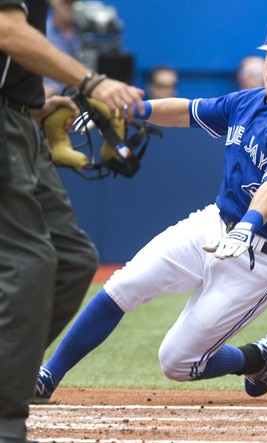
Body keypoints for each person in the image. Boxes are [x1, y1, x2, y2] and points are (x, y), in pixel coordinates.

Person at [34, 17, 267, 406]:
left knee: (176, 361)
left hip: (260, 258)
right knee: (124, 285)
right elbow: (185, 111)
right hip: (214, 224)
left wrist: (248, 225)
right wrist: (128, 110)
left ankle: (256, 358)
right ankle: (46, 376)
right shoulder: (248, 101)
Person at [0, 0, 144, 441]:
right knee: (29, 263)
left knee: (72, 258)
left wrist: (37, 99)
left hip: (24, 121)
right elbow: (6, 30)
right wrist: (91, 81)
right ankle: (6, 420)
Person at [43, 0, 81, 98]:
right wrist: (40, 88)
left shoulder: (88, 34)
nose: (70, 7)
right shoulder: (42, 34)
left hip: (83, 98)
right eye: (65, 3)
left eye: (73, 3)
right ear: (54, 4)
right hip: (52, 99)